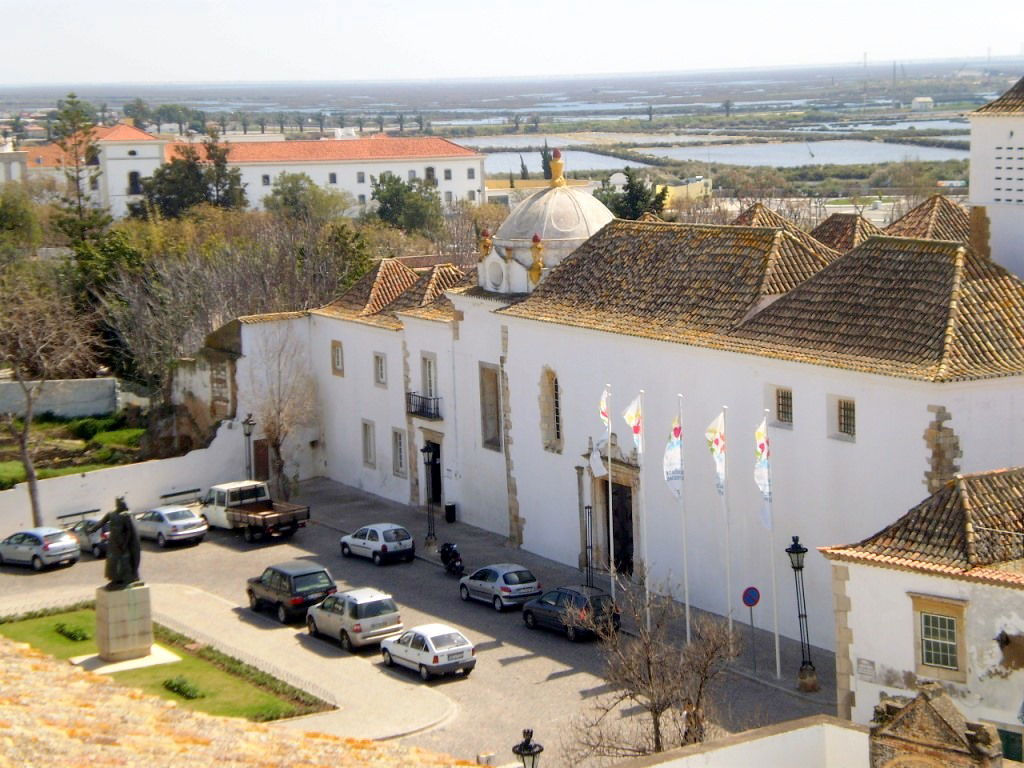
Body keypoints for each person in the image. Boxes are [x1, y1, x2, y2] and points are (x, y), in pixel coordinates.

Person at [89, 496, 141, 589]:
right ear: (118, 505)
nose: (123, 507)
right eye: (122, 505)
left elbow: (129, 531)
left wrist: (125, 544)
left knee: (125, 559)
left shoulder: (125, 516)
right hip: (113, 541)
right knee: (112, 560)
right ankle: (115, 579)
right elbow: (101, 523)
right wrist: (92, 529)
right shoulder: (111, 514)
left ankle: (128, 578)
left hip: (122, 541)